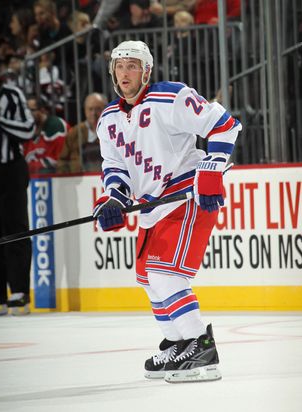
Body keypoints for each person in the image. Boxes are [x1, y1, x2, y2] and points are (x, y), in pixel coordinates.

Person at [93, 40, 242, 383]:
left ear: (146, 70)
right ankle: (177, 344)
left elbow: (225, 125)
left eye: (133, 65)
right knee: (148, 279)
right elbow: (115, 167)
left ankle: (202, 346)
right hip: (150, 207)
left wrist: (210, 170)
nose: (125, 72)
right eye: (119, 66)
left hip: (186, 198)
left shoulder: (171, 97)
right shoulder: (108, 119)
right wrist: (114, 199)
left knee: (164, 274)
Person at [0, 48, 35, 316]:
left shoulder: (12, 94)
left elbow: (29, 129)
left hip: (10, 169)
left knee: (15, 228)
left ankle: (19, 291)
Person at [57, 92, 107, 173]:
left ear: (105, 109)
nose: (93, 113)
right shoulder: (75, 133)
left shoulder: (112, 130)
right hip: (77, 180)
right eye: (90, 109)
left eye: (98, 109)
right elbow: (62, 161)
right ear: (85, 110)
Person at [23, 95, 68, 174]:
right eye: (25, 110)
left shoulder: (56, 126)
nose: (27, 114)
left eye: (31, 110)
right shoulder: (26, 128)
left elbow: (59, 160)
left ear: (42, 111)